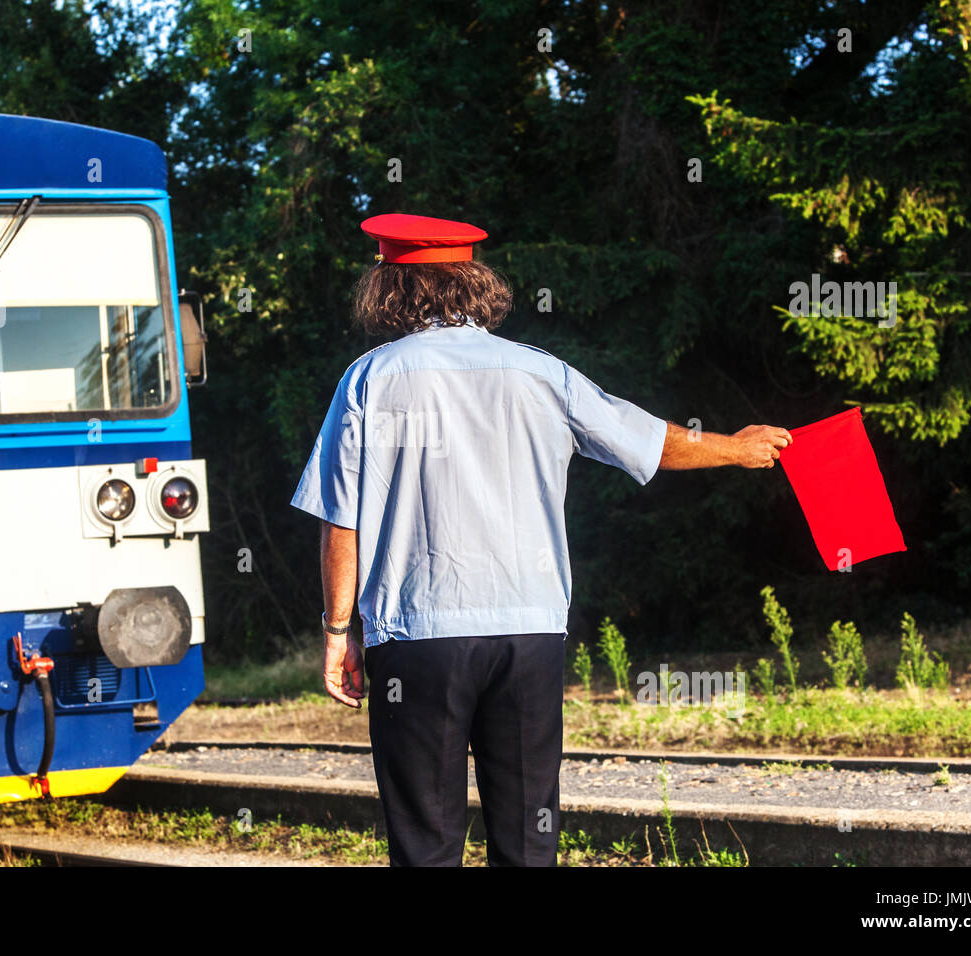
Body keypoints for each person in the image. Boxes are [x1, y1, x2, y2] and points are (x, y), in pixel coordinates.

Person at [290, 212, 791, 866]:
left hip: (418, 641)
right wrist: (735, 447)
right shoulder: (538, 373)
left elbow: (341, 520)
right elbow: (645, 440)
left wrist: (336, 630)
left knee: (425, 841)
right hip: (529, 634)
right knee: (530, 840)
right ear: (472, 280)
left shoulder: (369, 379)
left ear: (390, 288)